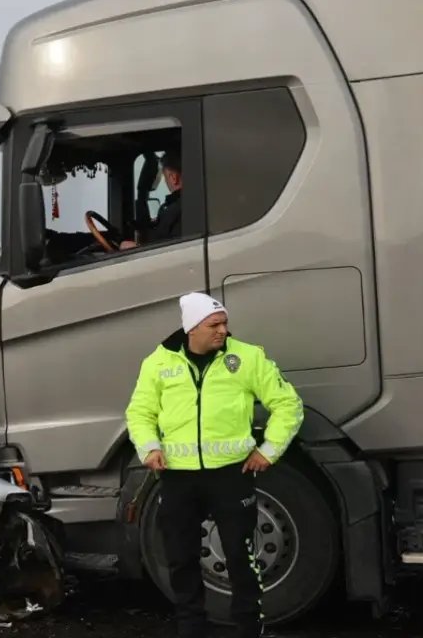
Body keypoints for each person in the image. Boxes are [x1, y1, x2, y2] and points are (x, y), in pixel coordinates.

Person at [124, 292, 303, 638]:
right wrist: (149, 448)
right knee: (181, 558)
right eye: (214, 325)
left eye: (224, 323)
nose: (223, 331)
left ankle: (250, 628)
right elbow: (140, 412)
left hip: (231, 476)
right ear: (192, 328)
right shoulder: (158, 363)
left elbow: (288, 404)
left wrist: (268, 451)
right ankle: (191, 629)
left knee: (240, 556)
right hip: (177, 478)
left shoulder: (247, 358)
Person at [121, 149, 183, 250]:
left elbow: (166, 250)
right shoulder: (184, 205)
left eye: (165, 177)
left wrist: (137, 248)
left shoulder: (175, 210)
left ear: (173, 177)